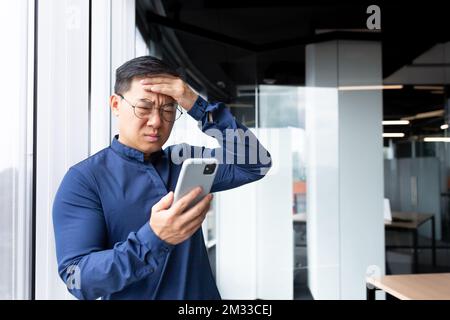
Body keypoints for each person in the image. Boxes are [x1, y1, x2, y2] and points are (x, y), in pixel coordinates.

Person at [52, 56, 272, 300]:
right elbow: (76, 277)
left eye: (168, 110)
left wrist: (196, 105)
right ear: (115, 105)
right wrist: (153, 239)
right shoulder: (84, 179)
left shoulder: (183, 160)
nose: (156, 122)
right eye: (143, 108)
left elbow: (256, 163)